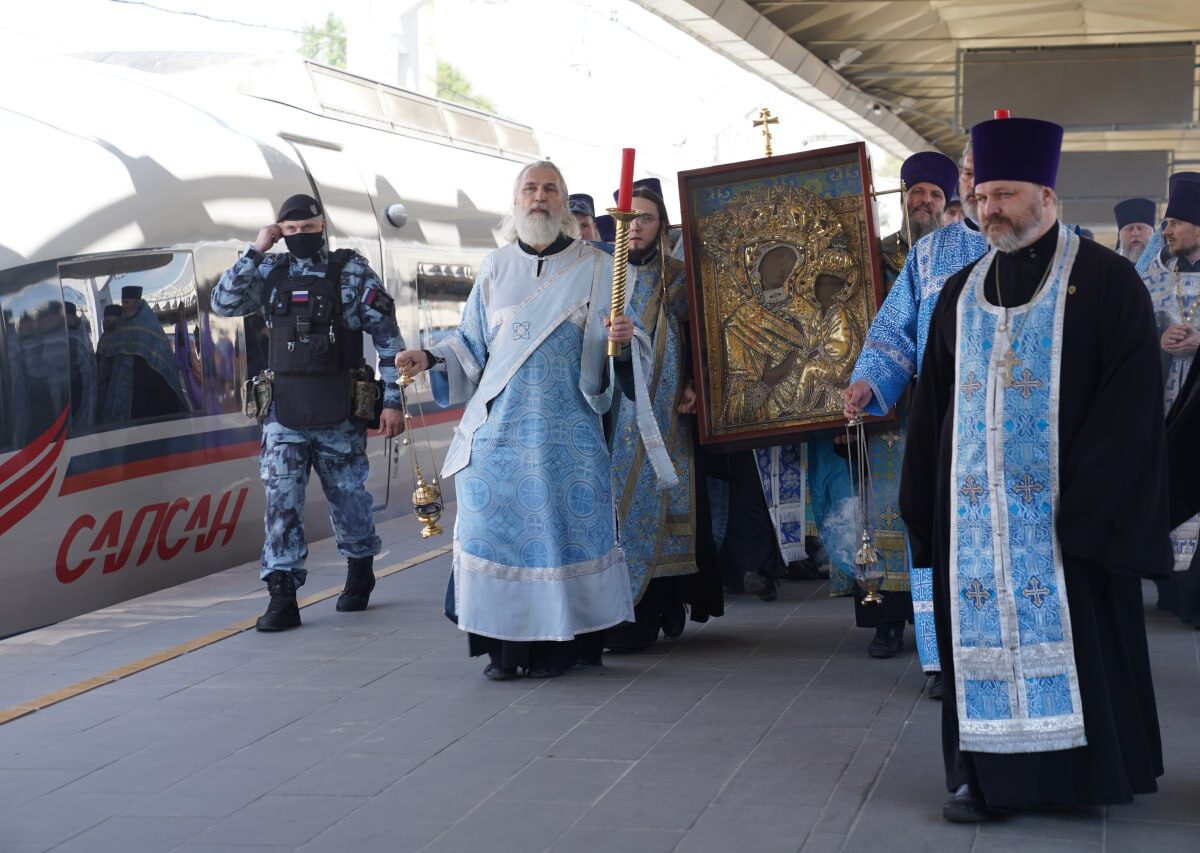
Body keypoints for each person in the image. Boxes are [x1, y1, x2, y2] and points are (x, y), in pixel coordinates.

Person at [901, 114, 1168, 823]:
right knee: (976, 648)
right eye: (983, 195)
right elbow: (933, 406)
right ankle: (981, 778)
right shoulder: (959, 291)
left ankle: (1080, 775)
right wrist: (922, 507)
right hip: (975, 528)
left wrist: (1087, 506)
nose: (992, 209)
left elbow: (1131, 401)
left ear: (1047, 194)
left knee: (1081, 641)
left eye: (1007, 193)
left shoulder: (1107, 283)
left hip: (1068, 521)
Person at [395, 161, 671, 680]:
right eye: (530, 188)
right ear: (516, 201)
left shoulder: (599, 268)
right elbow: (471, 346)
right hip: (498, 439)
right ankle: (504, 651)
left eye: (550, 189)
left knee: (564, 538)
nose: (539, 197)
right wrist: (430, 358)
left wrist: (625, 339)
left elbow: (629, 355)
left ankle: (561, 650)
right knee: (492, 537)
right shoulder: (495, 268)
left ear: (565, 203)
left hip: (568, 436)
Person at [211, 193, 406, 631]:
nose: (300, 237)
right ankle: (282, 596)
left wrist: (392, 402)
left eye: (308, 228)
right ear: (281, 231)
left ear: (323, 225)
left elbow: (390, 341)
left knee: (349, 497)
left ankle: (359, 566)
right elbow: (222, 303)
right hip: (284, 413)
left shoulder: (350, 272)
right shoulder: (269, 272)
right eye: (291, 231)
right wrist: (257, 248)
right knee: (281, 500)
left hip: (339, 410)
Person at [843, 142, 989, 691]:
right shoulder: (928, 257)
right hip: (939, 417)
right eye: (972, 173)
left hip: (1013, 425)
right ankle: (941, 659)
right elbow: (894, 330)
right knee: (931, 533)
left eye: (985, 174)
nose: (979, 186)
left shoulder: (1054, 255)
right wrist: (868, 379)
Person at [812, 151, 957, 662]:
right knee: (883, 513)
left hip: (939, 404)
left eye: (935, 195)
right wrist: (857, 387)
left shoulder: (962, 251)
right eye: (917, 193)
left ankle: (943, 631)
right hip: (884, 407)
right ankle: (885, 620)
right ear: (903, 198)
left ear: (948, 202)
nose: (925, 202)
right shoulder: (869, 256)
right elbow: (844, 329)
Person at [604, 185, 724, 651]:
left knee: (669, 503)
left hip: (669, 415)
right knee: (619, 507)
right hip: (614, 414)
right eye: (627, 218)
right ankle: (624, 609)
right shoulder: (599, 276)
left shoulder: (680, 278)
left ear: (663, 226)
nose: (635, 227)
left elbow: (705, 341)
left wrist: (695, 383)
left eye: (645, 219)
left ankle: (667, 603)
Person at [1140, 178, 1200, 575]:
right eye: (1166, 222)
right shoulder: (1152, 278)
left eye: (1176, 222)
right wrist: (1158, 339)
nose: (1167, 230)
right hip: (1164, 408)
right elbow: (1125, 334)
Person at [96, 285, 189, 423]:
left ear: (137, 303)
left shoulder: (150, 326)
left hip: (146, 392)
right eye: (123, 303)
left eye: (127, 302)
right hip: (123, 394)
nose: (124, 307)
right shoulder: (122, 326)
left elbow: (161, 363)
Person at [1115, 197, 1156, 264]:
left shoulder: (1166, 264)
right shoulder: (1109, 266)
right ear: (1120, 236)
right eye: (1129, 229)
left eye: (1140, 228)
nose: (1135, 233)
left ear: (1153, 234)